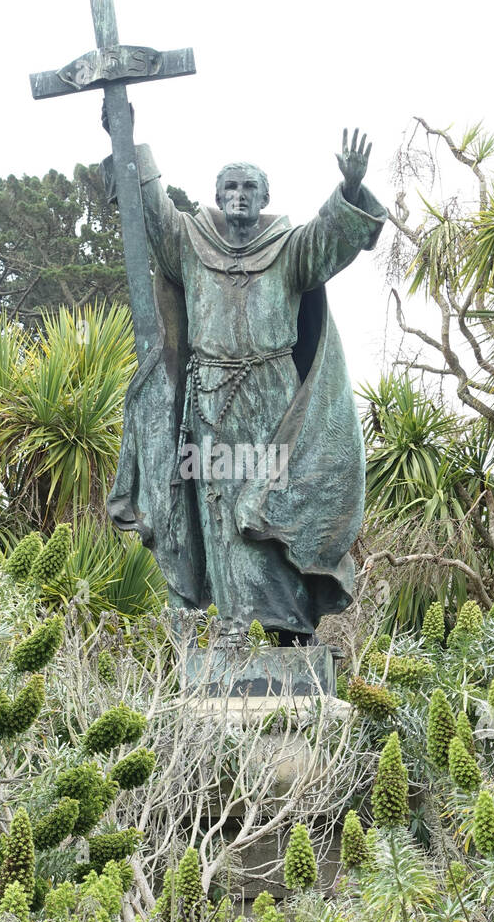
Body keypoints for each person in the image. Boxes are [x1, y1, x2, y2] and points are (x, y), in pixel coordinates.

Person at [104, 120, 387, 644]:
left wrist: (348, 189)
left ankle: (292, 627)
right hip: (210, 400)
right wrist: (127, 139)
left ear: (265, 198)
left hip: (275, 398)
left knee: (273, 503)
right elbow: (154, 215)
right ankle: (234, 621)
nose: (239, 196)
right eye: (230, 187)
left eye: (249, 188)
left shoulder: (289, 248)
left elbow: (330, 239)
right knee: (220, 510)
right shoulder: (190, 242)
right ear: (216, 196)